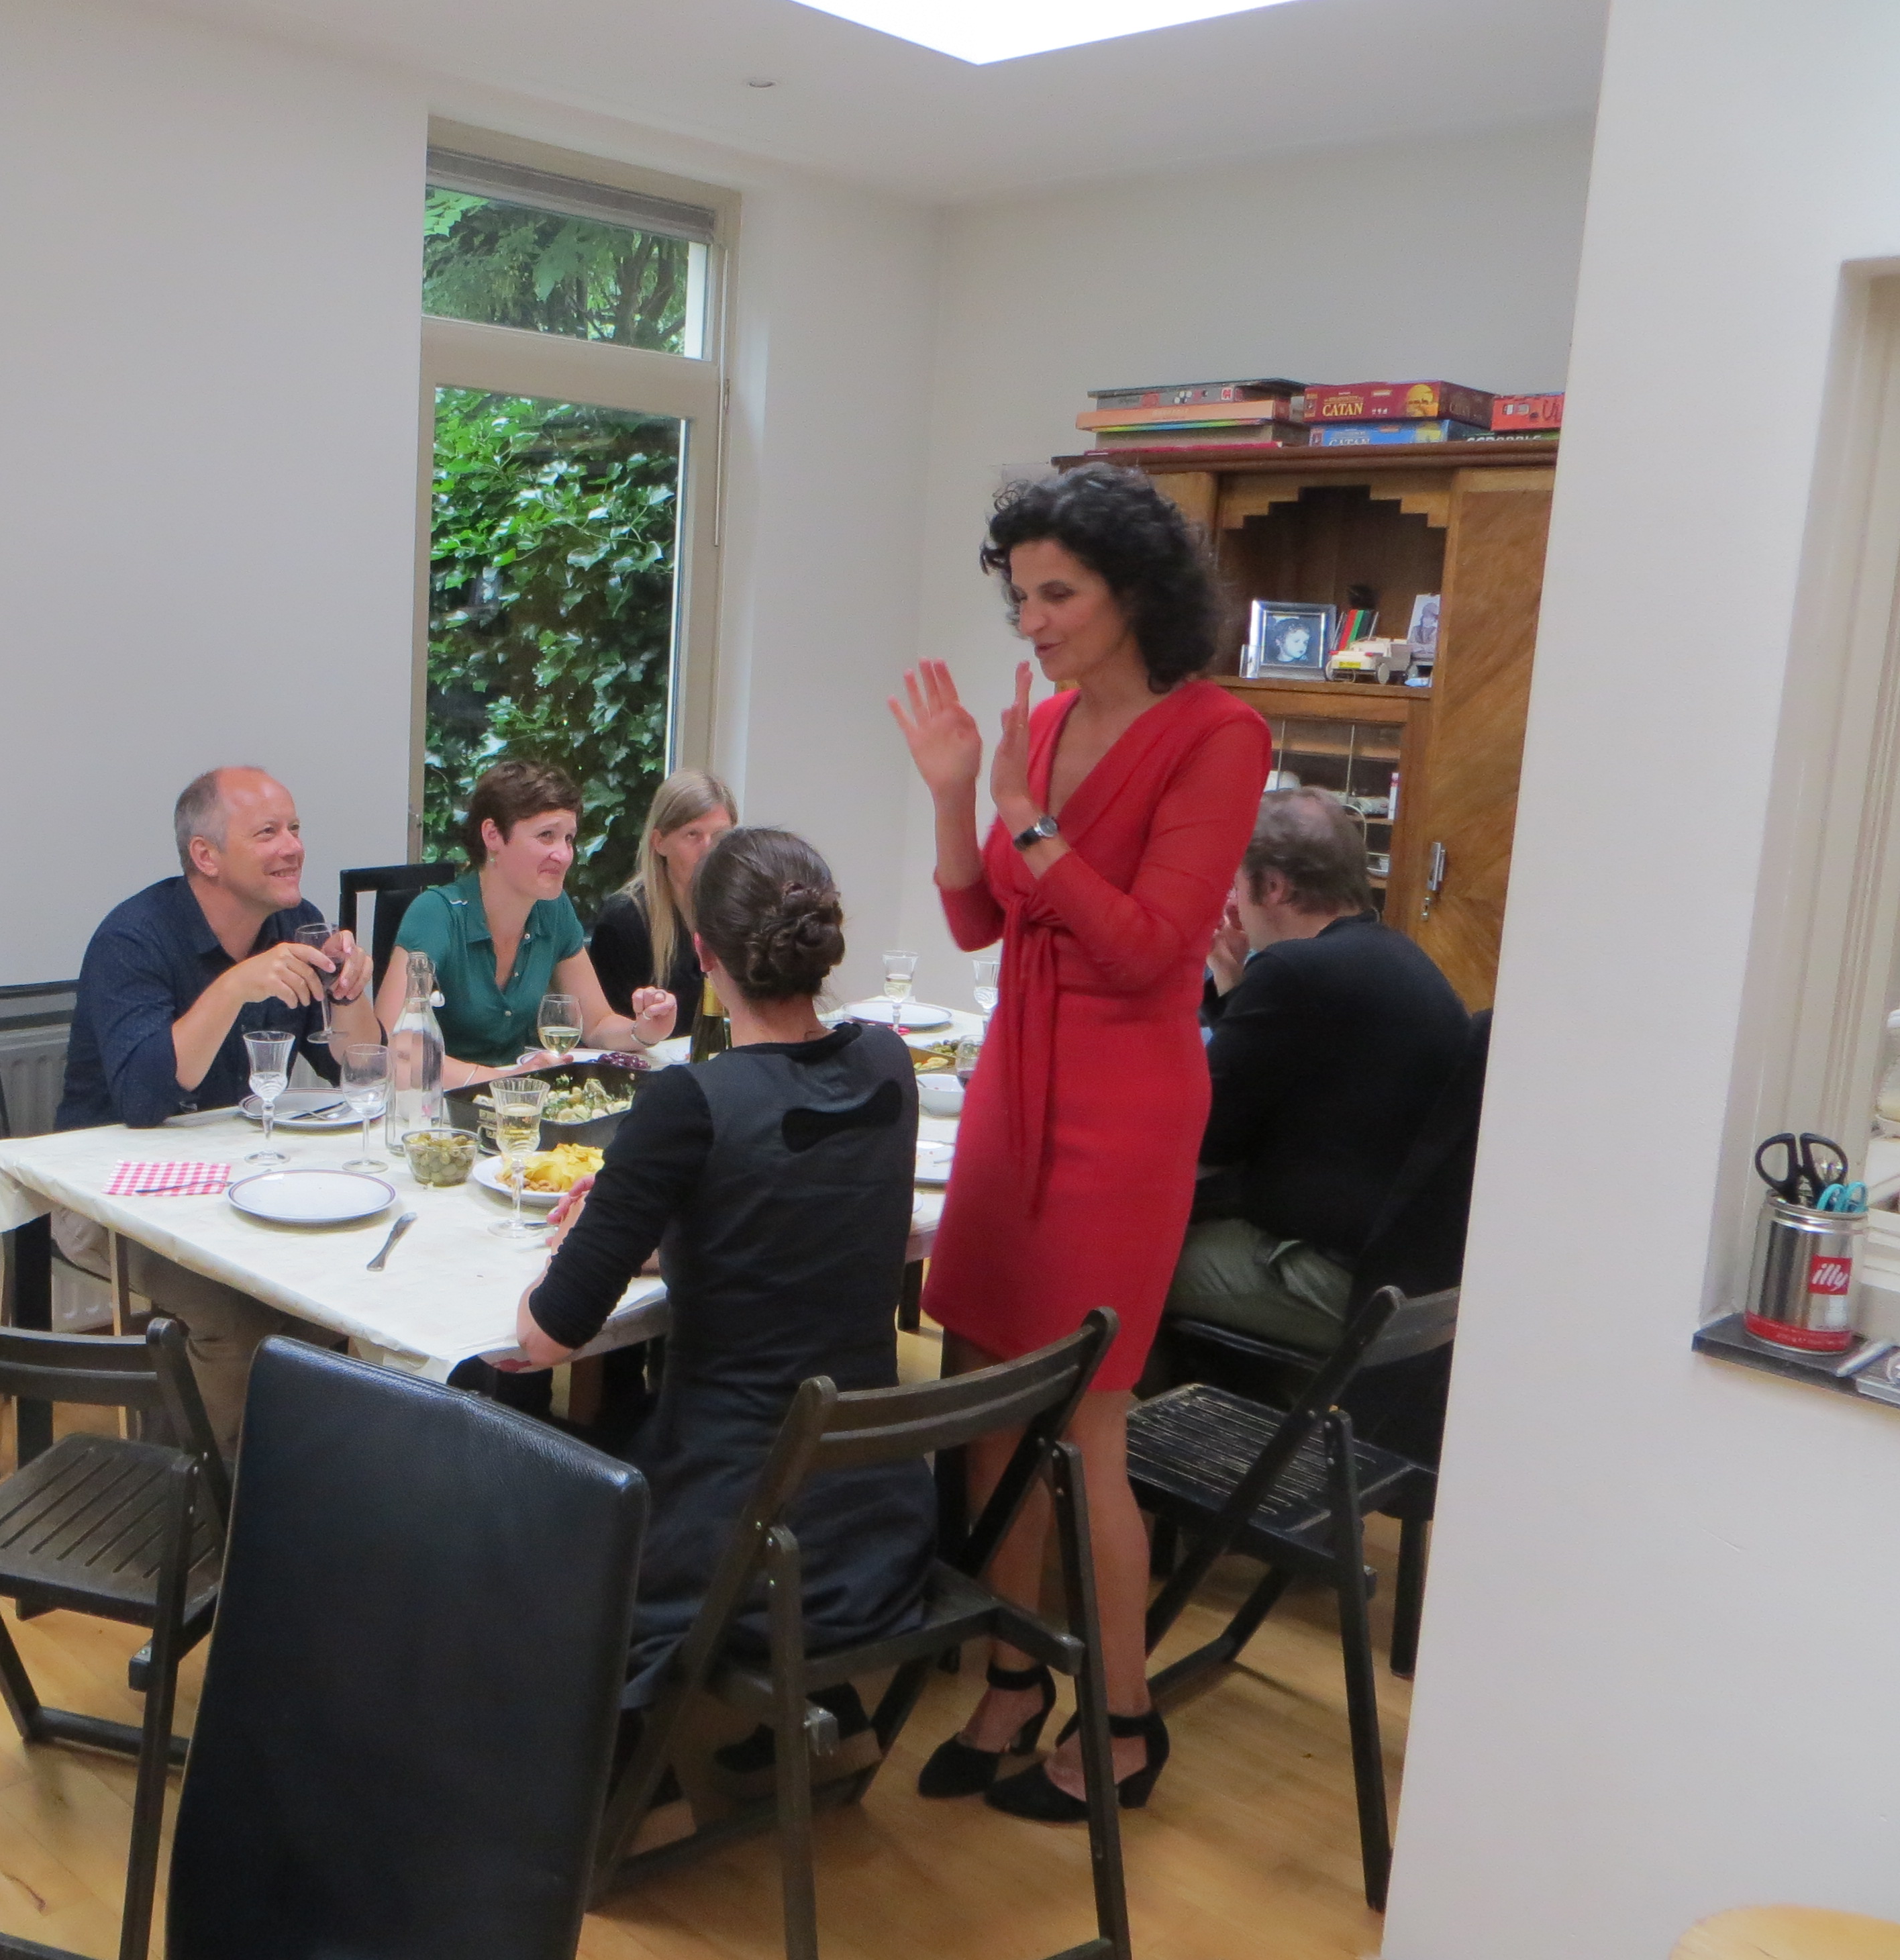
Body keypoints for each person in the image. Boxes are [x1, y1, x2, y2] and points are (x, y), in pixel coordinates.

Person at [887, 462, 1269, 1822]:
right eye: (1020, 598)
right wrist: (957, 797)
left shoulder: (1217, 734)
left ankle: (1123, 1720)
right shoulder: (1037, 729)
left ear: (1134, 593)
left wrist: (1029, 822)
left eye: (1058, 594)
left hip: (1123, 1108)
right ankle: (1009, 1679)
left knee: (1087, 1423)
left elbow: (1151, 951)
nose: (1033, 621)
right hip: (1014, 1088)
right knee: (988, 1402)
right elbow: (979, 923)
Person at [505, 827, 930, 1738]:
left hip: (730, 1528)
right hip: (875, 1520)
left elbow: (547, 1337)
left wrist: (592, 1238)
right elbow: (800, 1211)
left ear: (702, 954)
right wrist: (663, 1235)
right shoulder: (886, 1064)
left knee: (501, 1456)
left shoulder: (690, 1102)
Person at [55, 766, 376, 1453]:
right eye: (268, 833)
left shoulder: (294, 924)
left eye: (295, 829)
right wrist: (233, 988)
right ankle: (208, 1498)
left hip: (231, 1175)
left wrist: (350, 994)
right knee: (234, 1316)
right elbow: (145, 1102)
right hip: (103, 1191)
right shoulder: (134, 938)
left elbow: (356, 1069)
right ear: (206, 855)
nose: (292, 847)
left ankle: (293, 1476)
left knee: (331, 1293)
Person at [1171, 787, 1470, 1351]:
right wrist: (1234, 981)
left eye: (1236, 884)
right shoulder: (1393, 954)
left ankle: (1153, 1410)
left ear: (1274, 887)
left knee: (1123, 1263)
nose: (1232, 904)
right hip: (1412, 1280)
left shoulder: (1296, 971)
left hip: (1338, 1280)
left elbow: (1207, 1136)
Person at [377, 760, 676, 1085]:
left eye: (569, 838)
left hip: (517, 1096)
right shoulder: (436, 914)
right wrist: (500, 1080)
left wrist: (642, 1030)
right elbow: (394, 1044)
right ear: (493, 835)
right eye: (547, 835)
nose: (564, 855)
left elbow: (597, 1023)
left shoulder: (553, 909)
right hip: (437, 1103)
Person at [589, 769, 738, 1039]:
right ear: (660, 843)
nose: (708, 849)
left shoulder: (738, 909)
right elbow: (611, 1034)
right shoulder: (624, 920)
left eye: (719, 836)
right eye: (693, 835)